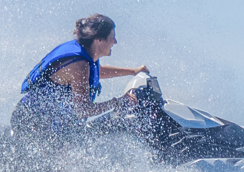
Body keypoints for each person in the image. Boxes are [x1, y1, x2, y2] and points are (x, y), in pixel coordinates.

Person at [11, 14, 148, 141]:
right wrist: (117, 102)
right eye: (112, 37)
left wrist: (133, 71)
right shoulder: (80, 65)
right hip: (30, 122)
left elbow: (97, 72)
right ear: (99, 40)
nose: (115, 42)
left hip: (46, 123)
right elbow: (83, 110)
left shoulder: (86, 57)